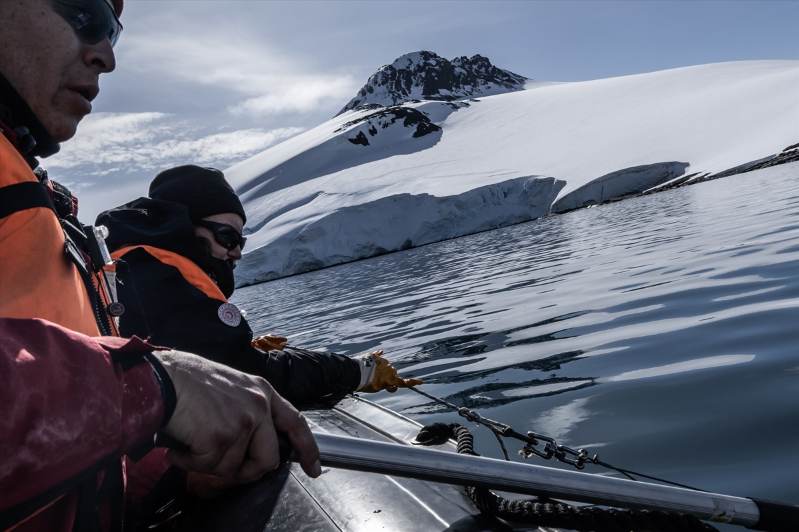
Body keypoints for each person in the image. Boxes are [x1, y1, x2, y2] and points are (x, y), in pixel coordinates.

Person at [0, 1, 319, 531]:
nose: (105, 56)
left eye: (114, 33)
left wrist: (172, 478)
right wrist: (151, 386)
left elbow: (62, 453)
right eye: (86, 15)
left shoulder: (38, 201)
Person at [96, 165, 423, 407]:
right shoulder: (162, 279)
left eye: (241, 239)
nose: (237, 251)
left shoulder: (138, 270)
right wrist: (357, 370)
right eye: (228, 237)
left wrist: (231, 345)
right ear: (182, 229)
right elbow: (254, 377)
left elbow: (198, 354)